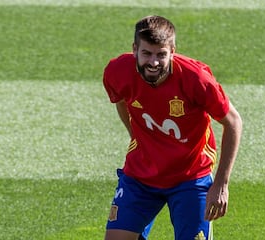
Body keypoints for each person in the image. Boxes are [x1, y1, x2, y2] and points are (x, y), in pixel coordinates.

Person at [102, 15, 242, 240]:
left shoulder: (197, 79)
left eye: (161, 54)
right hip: (140, 177)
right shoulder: (117, 71)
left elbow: (233, 122)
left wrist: (221, 184)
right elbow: (120, 98)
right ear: (135, 49)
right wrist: (136, 136)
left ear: (172, 51)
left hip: (191, 178)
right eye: (146, 53)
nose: (154, 62)